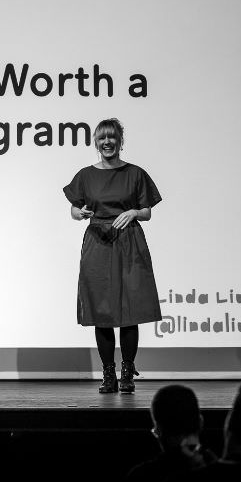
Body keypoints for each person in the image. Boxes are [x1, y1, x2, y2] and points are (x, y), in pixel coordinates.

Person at [63, 118, 163, 394]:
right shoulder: (85, 175)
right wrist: (79, 213)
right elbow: (74, 209)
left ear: (120, 141)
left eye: (112, 138)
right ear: (95, 142)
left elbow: (147, 211)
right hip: (98, 242)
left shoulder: (135, 173)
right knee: (102, 311)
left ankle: (127, 372)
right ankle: (108, 373)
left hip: (129, 241)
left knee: (130, 310)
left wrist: (132, 212)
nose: (107, 142)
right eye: (102, 138)